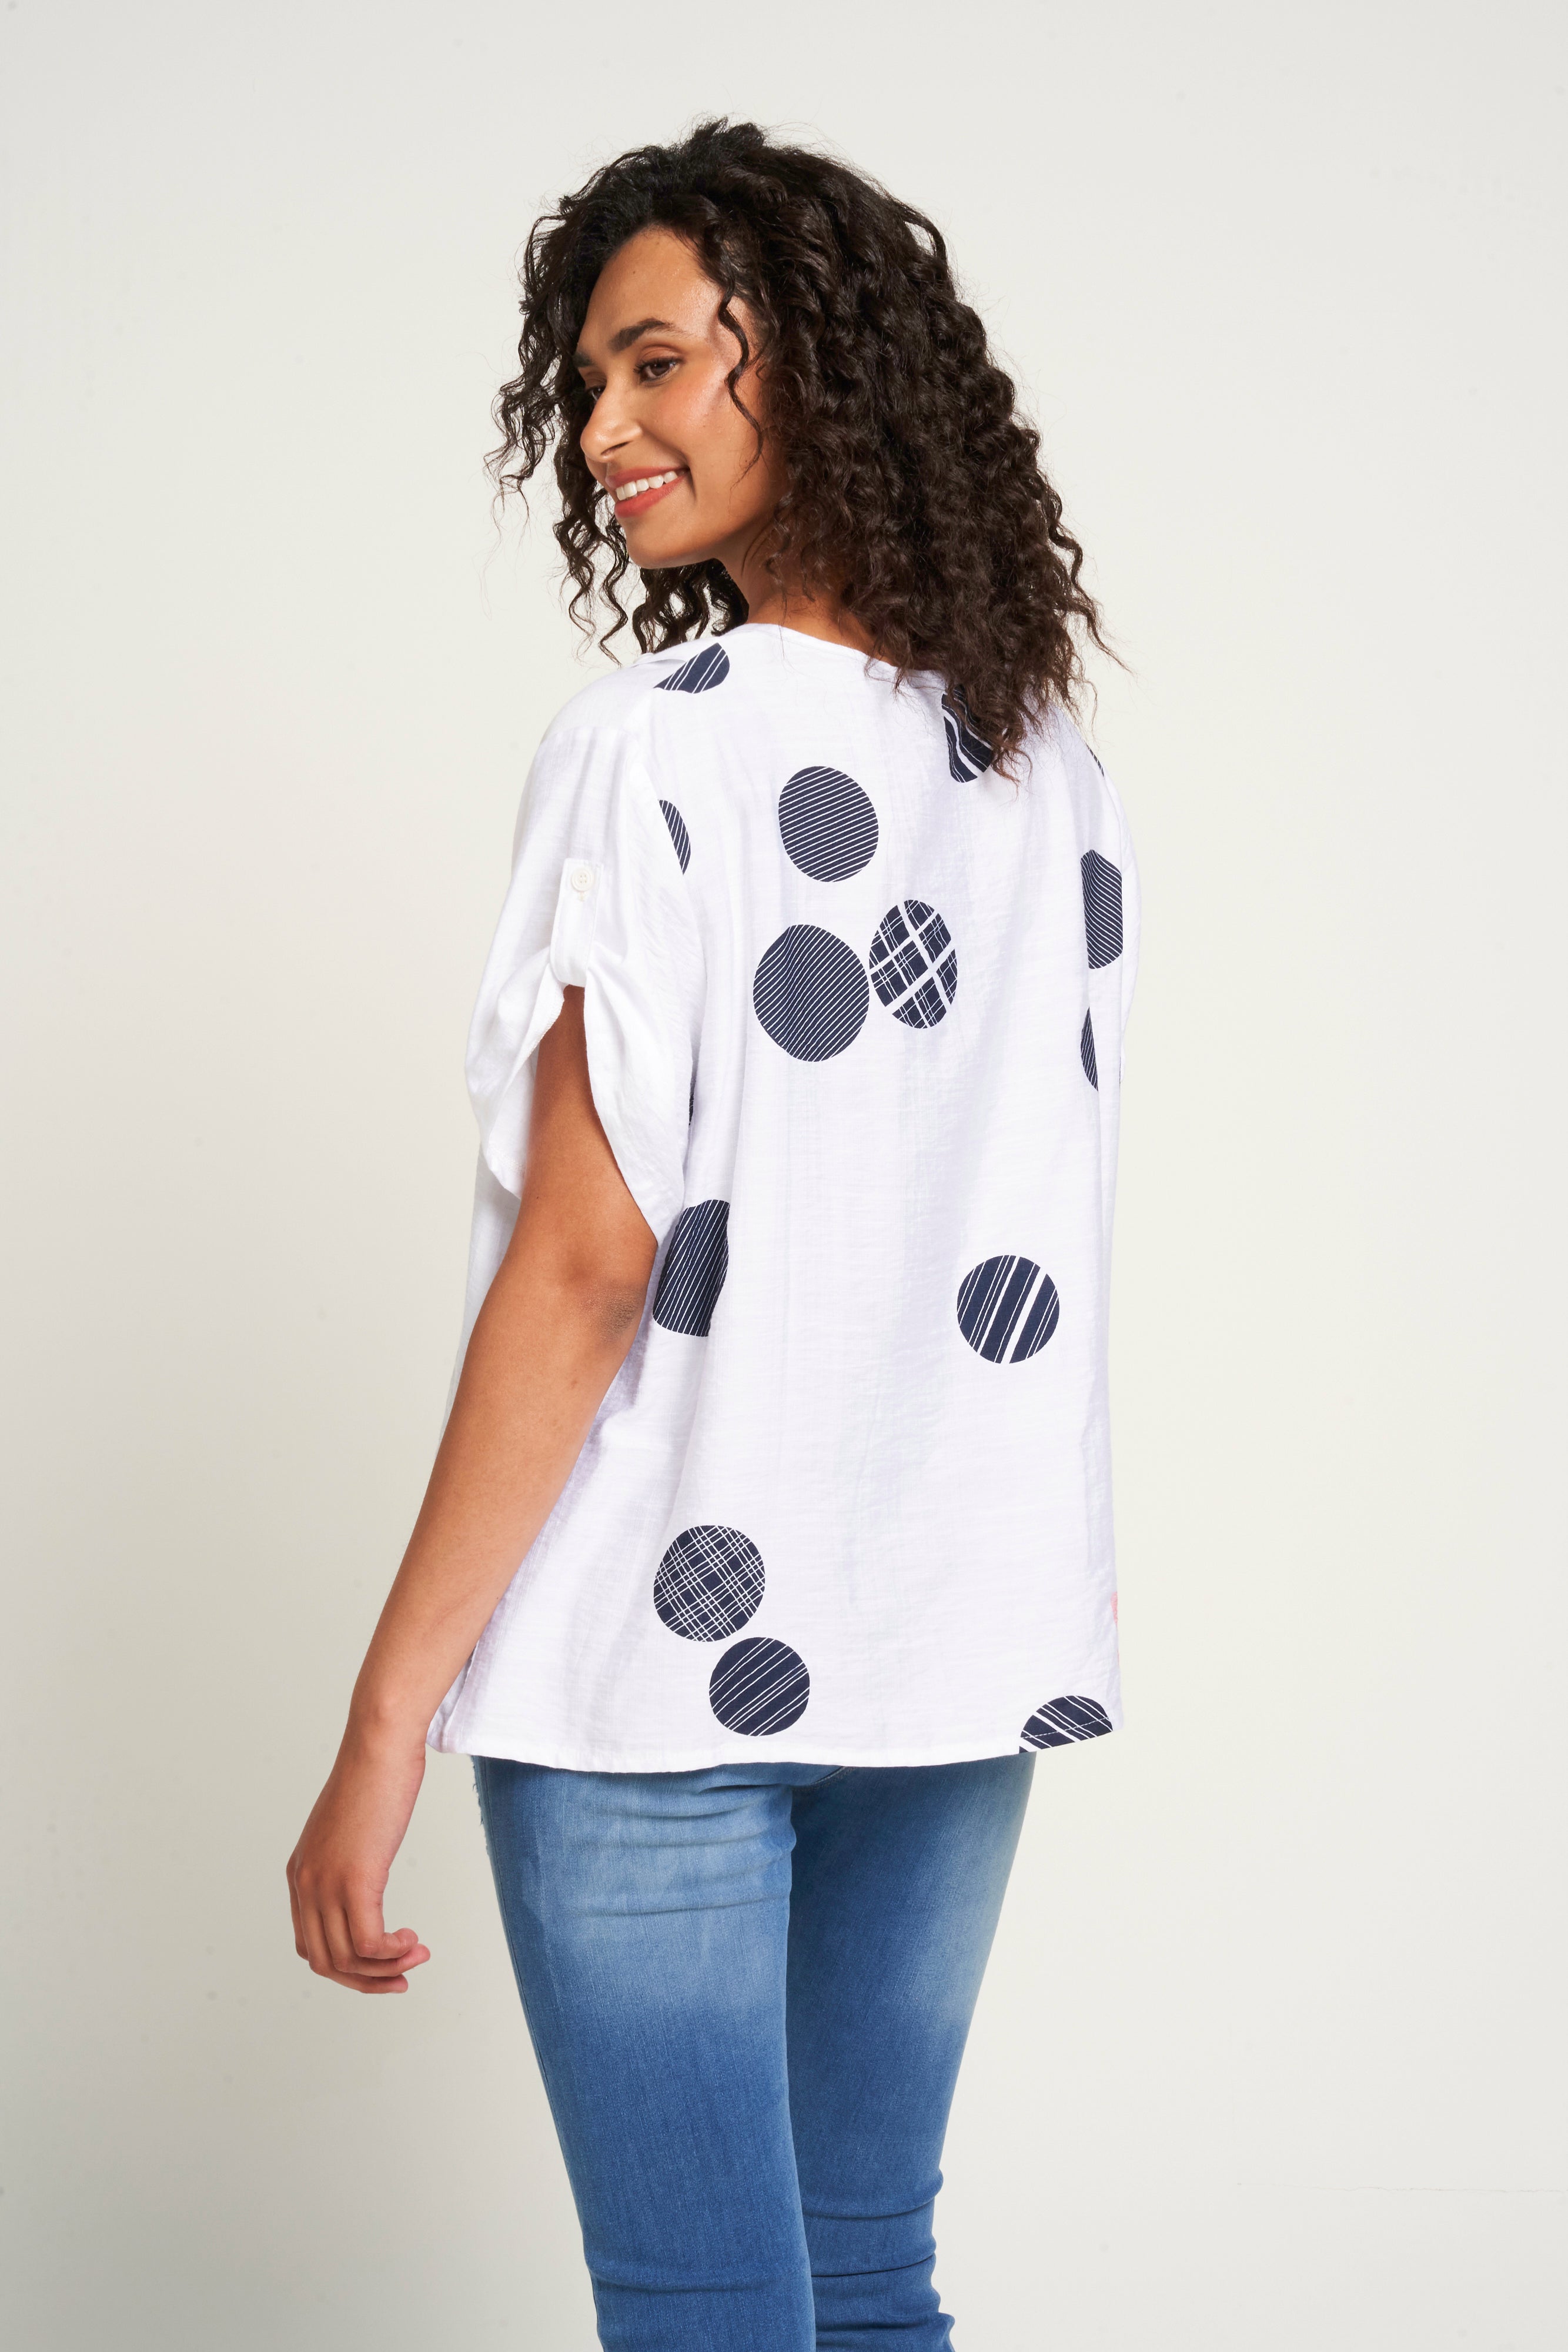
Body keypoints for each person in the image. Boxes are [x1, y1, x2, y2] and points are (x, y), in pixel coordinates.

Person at [287, 118, 1139, 2352]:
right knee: (865, 2280)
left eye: (656, 363)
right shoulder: (1041, 761)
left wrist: (386, 1718)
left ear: (817, 365)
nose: (601, 431)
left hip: (650, 1678)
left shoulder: (653, 748)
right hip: (949, 1640)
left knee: (703, 2308)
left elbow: (591, 1269)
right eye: (586, 384)